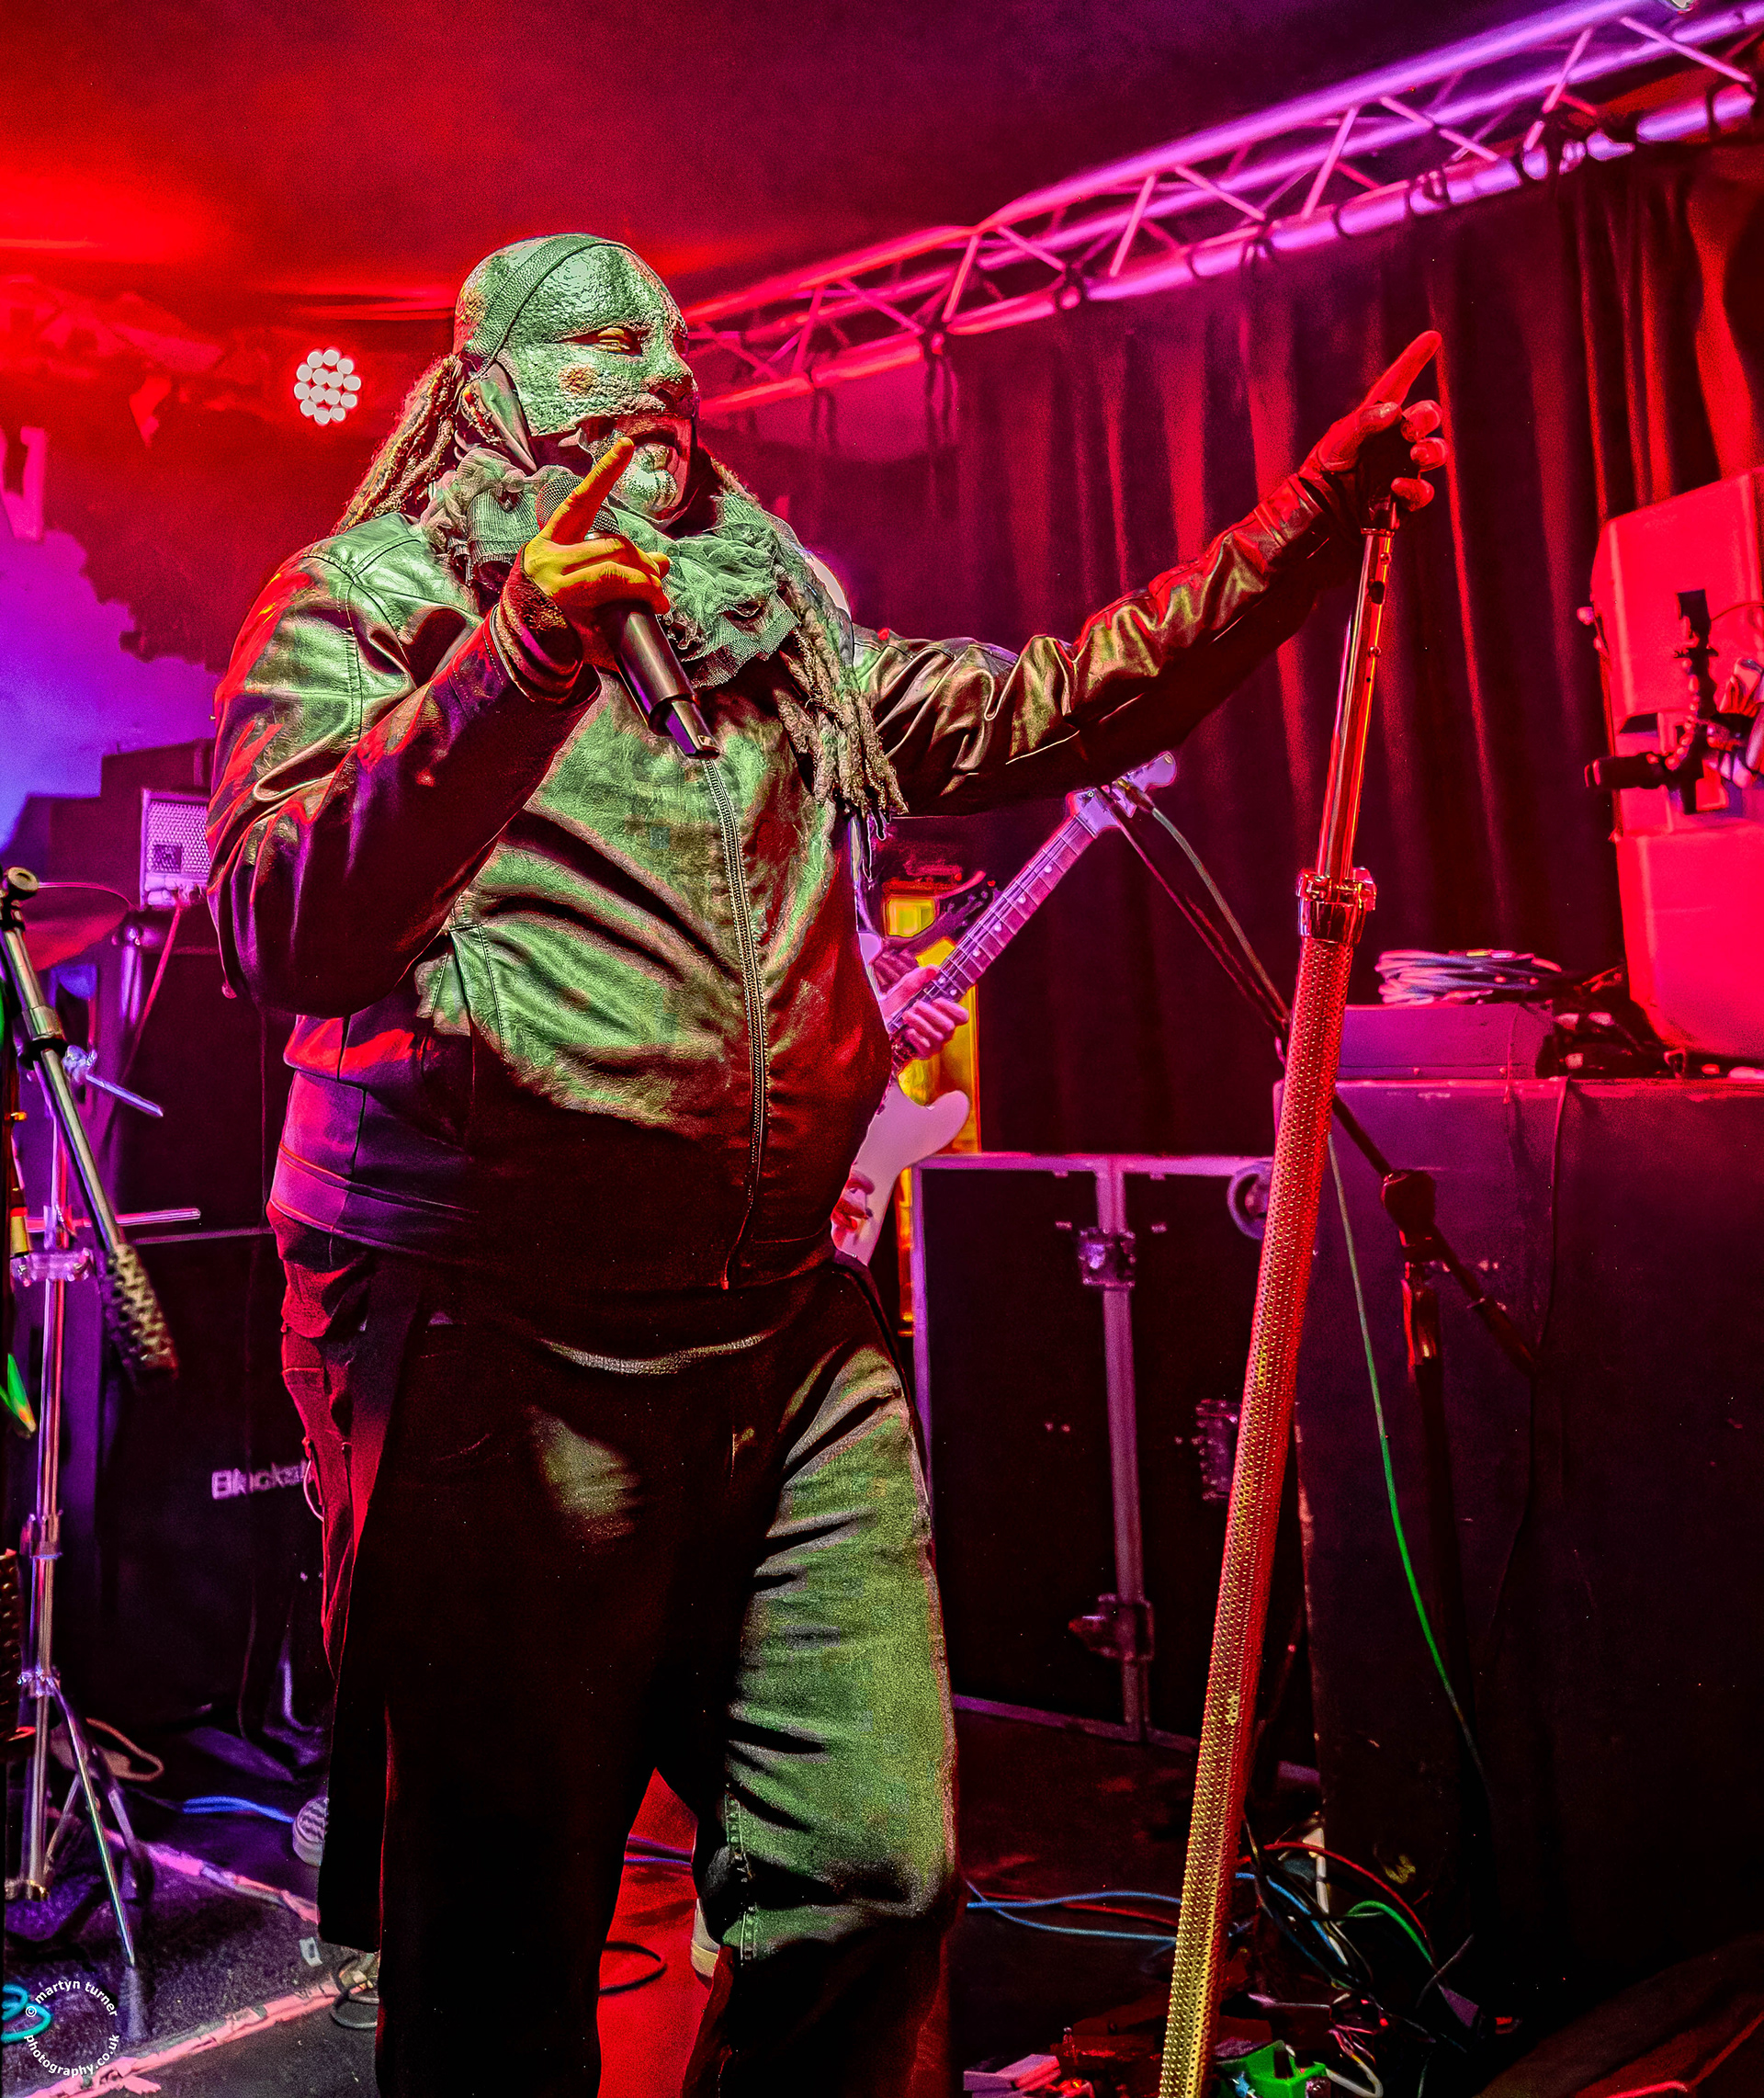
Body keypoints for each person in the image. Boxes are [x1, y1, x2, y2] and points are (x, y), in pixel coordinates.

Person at [206, 232, 1447, 2096]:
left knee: (872, 1882)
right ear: (487, 396)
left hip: (788, 1337)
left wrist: (1305, 529)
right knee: (499, 1961)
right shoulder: (370, 599)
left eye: (670, 380)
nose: (651, 400)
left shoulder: (775, 627)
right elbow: (275, 924)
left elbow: (1052, 699)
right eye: (597, 377)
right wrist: (514, 660)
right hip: (502, 1344)